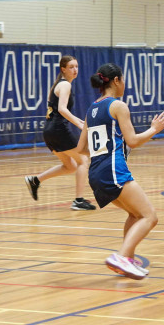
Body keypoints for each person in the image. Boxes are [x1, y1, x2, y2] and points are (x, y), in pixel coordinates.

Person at [77, 63, 164, 280]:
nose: (125, 84)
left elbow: (82, 148)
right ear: (116, 80)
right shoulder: (118, 106)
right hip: (113, 169)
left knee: (135, 214)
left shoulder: (92, 108)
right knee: (149, 216)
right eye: (124, 79)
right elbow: (133, 141)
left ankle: (127, 258)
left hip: (96, 173)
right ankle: (121, 256)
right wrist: (154, 129)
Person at [24, 55, 95, 211]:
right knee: (83, 160)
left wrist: (79, 122)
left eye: (76, 66)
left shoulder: (57, 85)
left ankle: (35, 180)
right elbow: (62, 109)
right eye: (71, 67)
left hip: (49, 130)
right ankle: (78, 200)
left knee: (70, 166)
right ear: (63, 69)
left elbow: (53, 110)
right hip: (58, 130)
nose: (75, 70)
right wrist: (78, 123)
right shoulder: (65, 86)